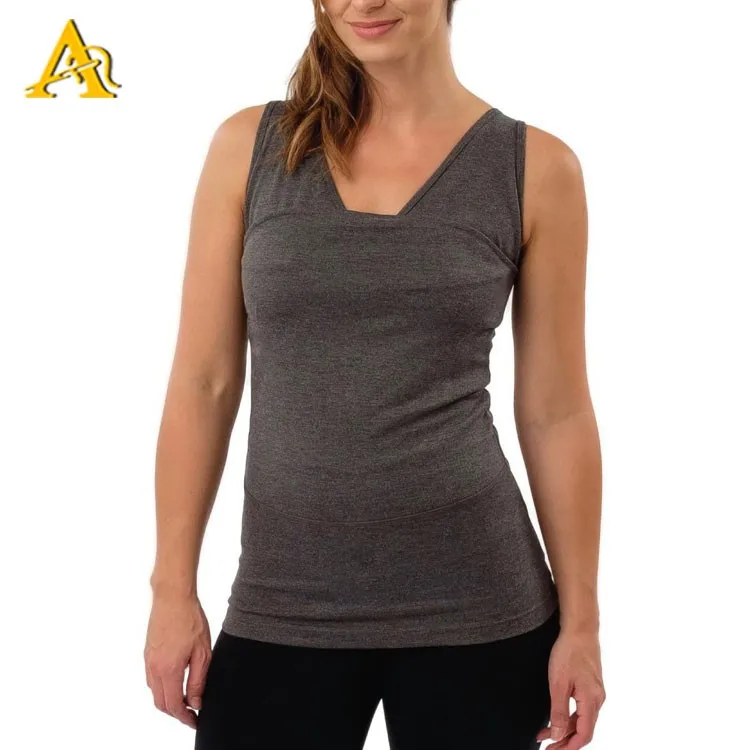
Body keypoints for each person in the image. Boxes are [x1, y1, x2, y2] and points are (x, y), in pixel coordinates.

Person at [144, 1, 606, 748]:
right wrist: (172, 590)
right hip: (282, 602)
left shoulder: (536, 168)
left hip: (481, 607)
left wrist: (582, 625)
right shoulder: (250, 148)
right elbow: (204, 384)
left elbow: (557, 411)